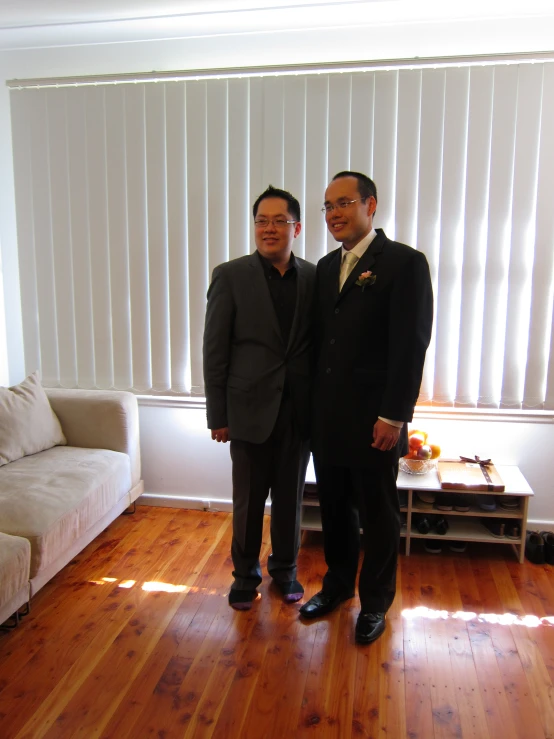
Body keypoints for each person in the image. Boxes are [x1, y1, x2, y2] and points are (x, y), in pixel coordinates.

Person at [299, 171, 433, 644]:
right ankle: (336, 588)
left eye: (343, 203)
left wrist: (393, 417)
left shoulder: (403, 263)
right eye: (327, 206)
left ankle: (375, 603)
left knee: (377, 517)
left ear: (370, 205)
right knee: (334, 513)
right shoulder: (322, 267)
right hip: (328, 419)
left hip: (376, 420)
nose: (334, 213)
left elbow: (410, 347)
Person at [203, 185, 316, 610]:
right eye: (262, 221)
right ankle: (245, 575)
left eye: (279, 221)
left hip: (298, 413)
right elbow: (214, 350)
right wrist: (218, 414)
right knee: (248, 502)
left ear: (297, 227)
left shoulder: (313, 276)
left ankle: (285, 571)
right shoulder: (230, 276)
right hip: (247, 411)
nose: (269, 229)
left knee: (290, 501)